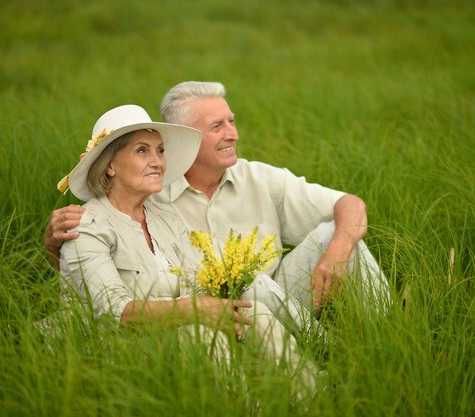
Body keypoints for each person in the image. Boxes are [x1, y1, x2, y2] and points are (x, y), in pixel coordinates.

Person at [46, 82, 390, 320]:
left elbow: (351, 205)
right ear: (190, 139)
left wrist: (337, 253)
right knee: (244, 280)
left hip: (281, 296)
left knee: (338, 235)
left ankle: (385, 330)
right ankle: (317, 346)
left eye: (232, 121)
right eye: (217, 126)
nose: (233, 134)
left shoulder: (260, 177)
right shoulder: (151, 193)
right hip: (201, 310)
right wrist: (54, 246)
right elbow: (102, 255)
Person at [55, 103, 316, 395]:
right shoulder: (86, 226)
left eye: (160, 151)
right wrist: (195, 310)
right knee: (200, 333)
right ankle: (245, 407)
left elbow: (195, 280)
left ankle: (311, 395)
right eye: (142, 150)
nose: (156, 161)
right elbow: (116, 313)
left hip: (175, 329)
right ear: (111, 165)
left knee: (255, 311)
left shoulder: (164, 215)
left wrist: (212, 309)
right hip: (120, 347)